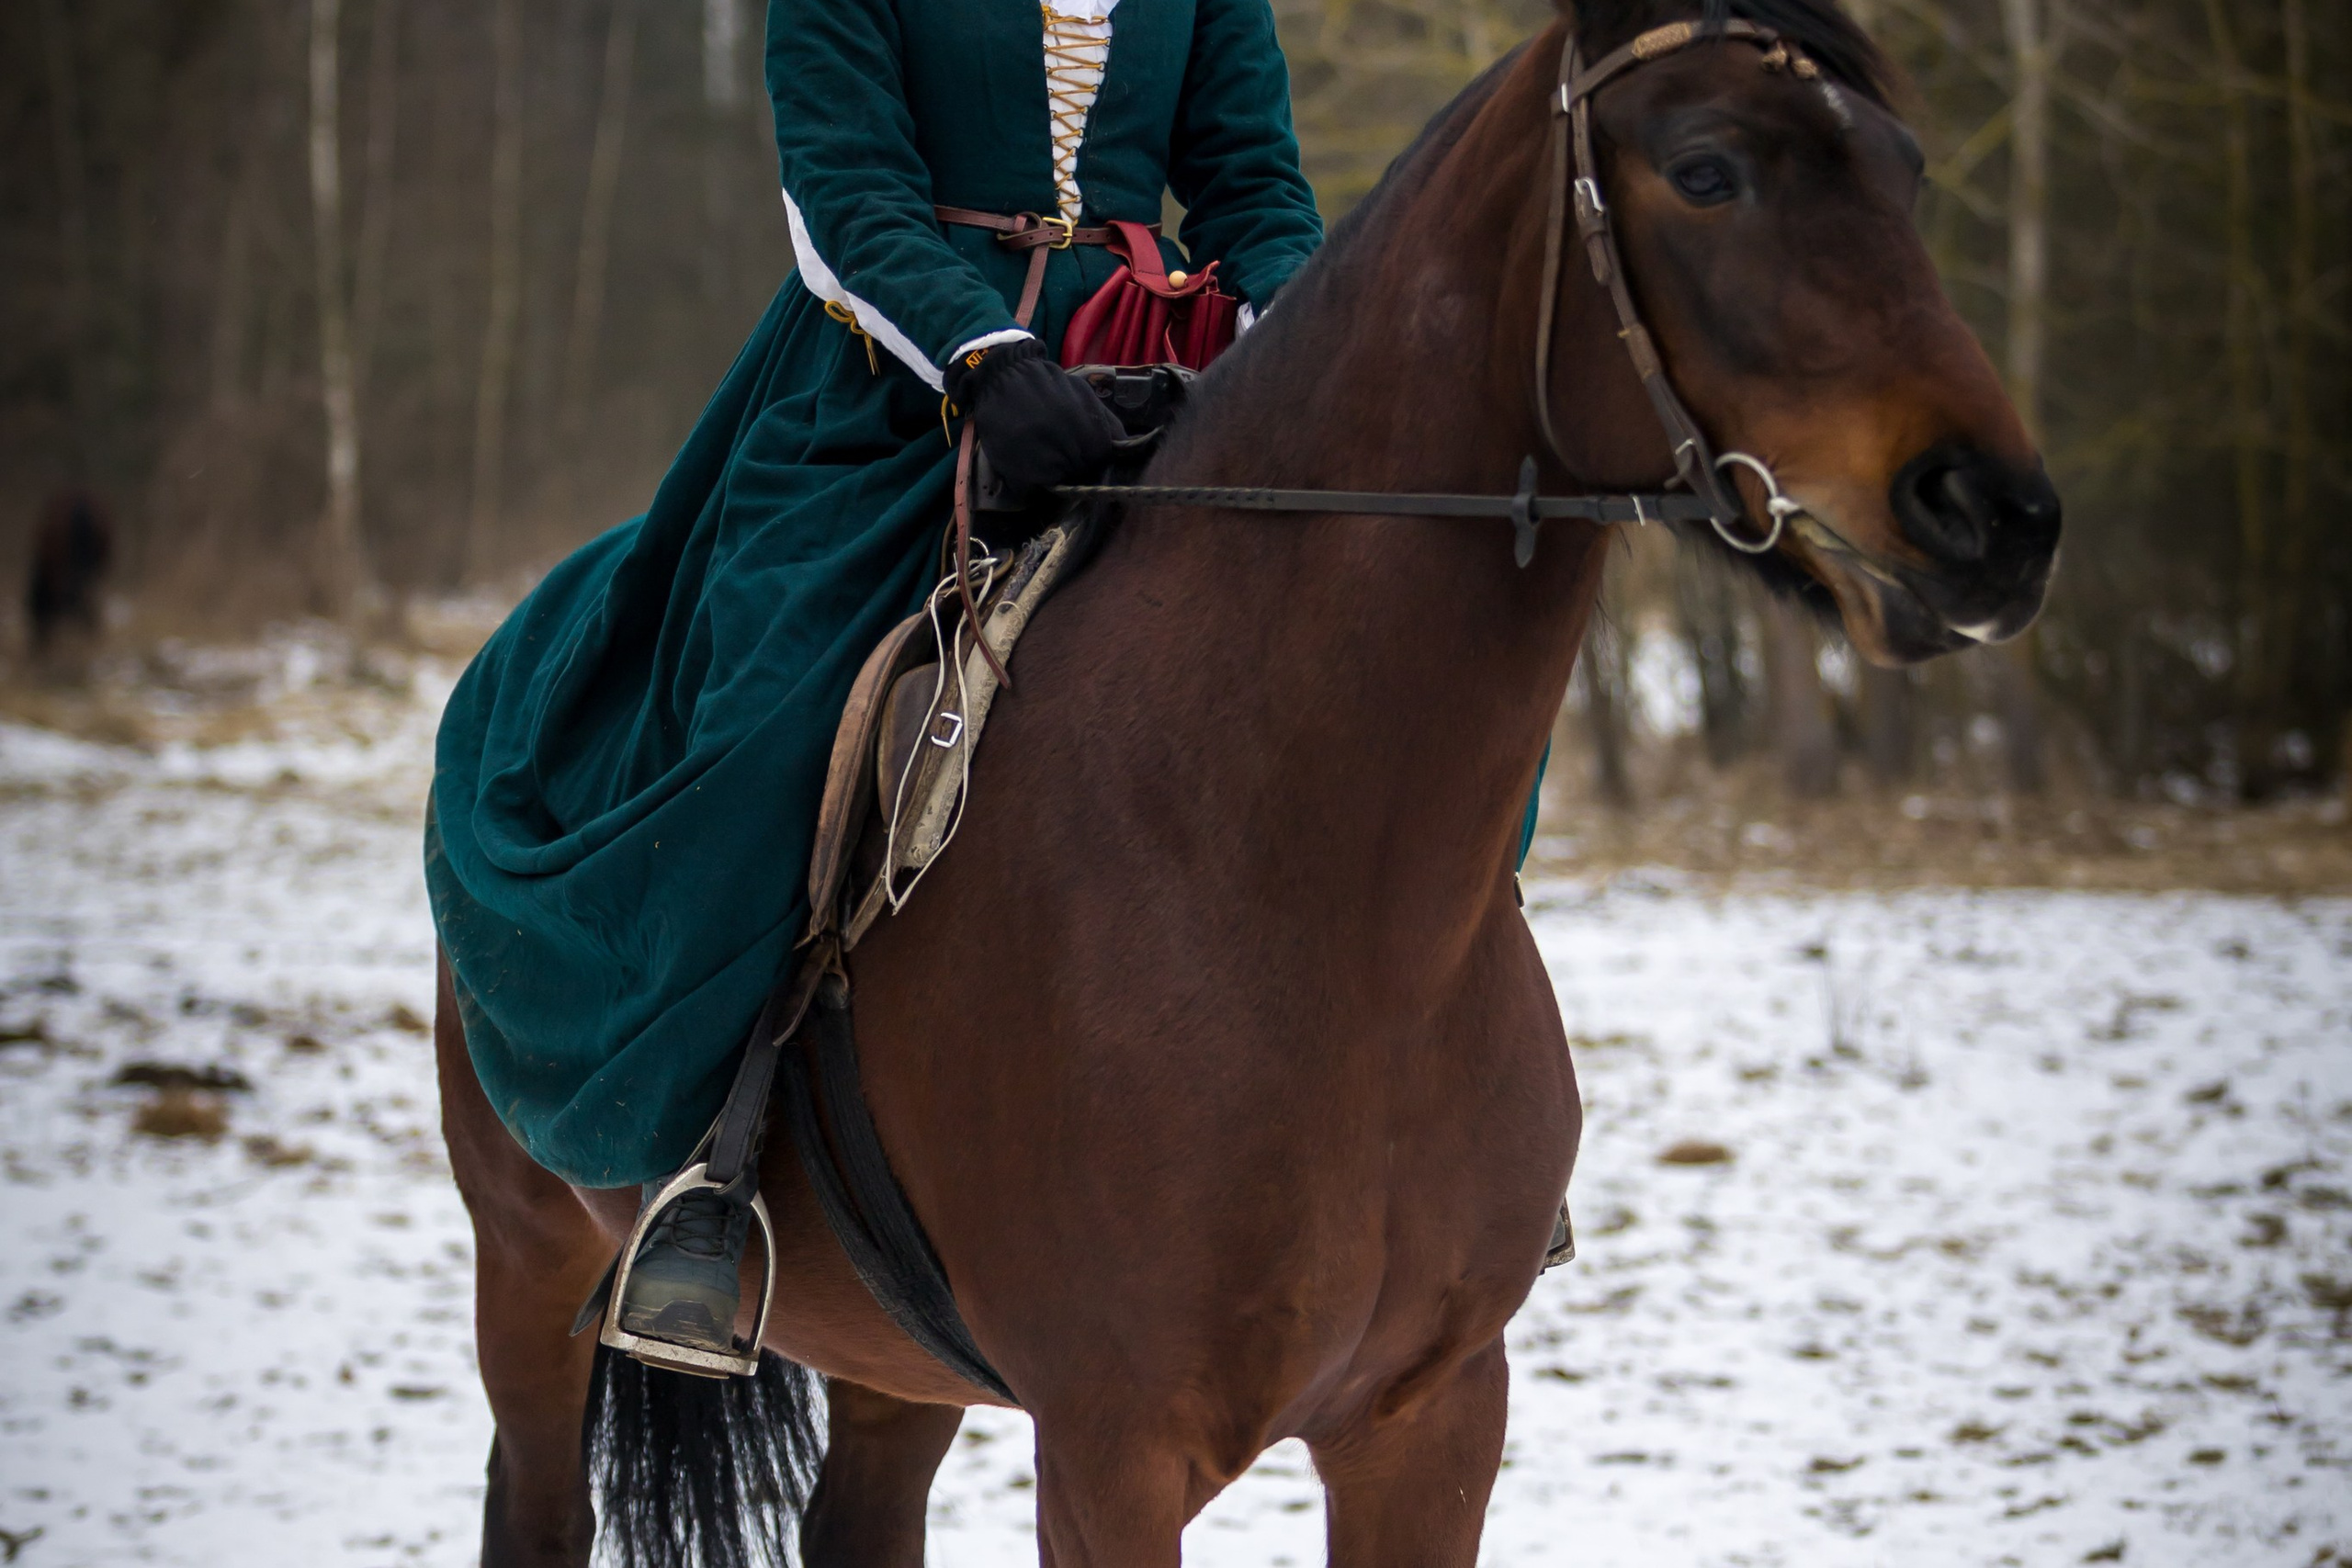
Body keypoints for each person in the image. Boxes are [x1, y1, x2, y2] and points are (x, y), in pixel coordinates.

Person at [424, 0, 1325, 1354]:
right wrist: (986, 357)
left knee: (1381, 676)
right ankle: (707, 1166)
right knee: (772, 719)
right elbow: (842, 193)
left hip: (1156, 381)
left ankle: (1420, 1122)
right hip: (898, 384)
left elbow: (1253, 183)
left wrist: (1285, 346)